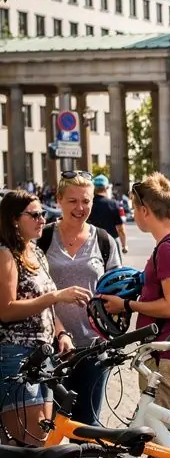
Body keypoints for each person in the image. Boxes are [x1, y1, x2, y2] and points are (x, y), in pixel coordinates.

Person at [100, 172, 170, 436]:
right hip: (168, 355)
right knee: (161, 440)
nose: (134, 214)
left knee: (169, 443)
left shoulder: (168, 249)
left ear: (144, 210)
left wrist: (127, 305)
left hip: (168, 357)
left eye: (134, 209)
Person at [0, 189, 89, 443]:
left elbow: (45, 307)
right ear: (14, 219)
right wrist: (55, 296)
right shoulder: (6, 254)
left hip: (43, 355)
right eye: (35, 215)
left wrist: (61, 333)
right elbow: (6, 310)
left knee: (45, 439)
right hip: (16, 354)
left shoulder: (36, 252)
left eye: (43, 214)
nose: (42, 219)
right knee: (33, 443)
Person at [41, 172, 122, 422]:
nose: (80, 208)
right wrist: (59, 332)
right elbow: (34, 294)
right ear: (59, 200)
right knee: (50, 427)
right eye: (72, 201)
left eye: (86, 201)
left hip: (94, 349)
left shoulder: (104, 240)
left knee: (88, 425)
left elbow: (117, 290)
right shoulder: (43, 238)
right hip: (51, 348)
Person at [88, 174, 128, 254]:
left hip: (92, 243)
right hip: (111, 242)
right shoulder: (114, 204)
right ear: (106, 188)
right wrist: (124, 245)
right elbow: (121, 229)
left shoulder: (88, 204)